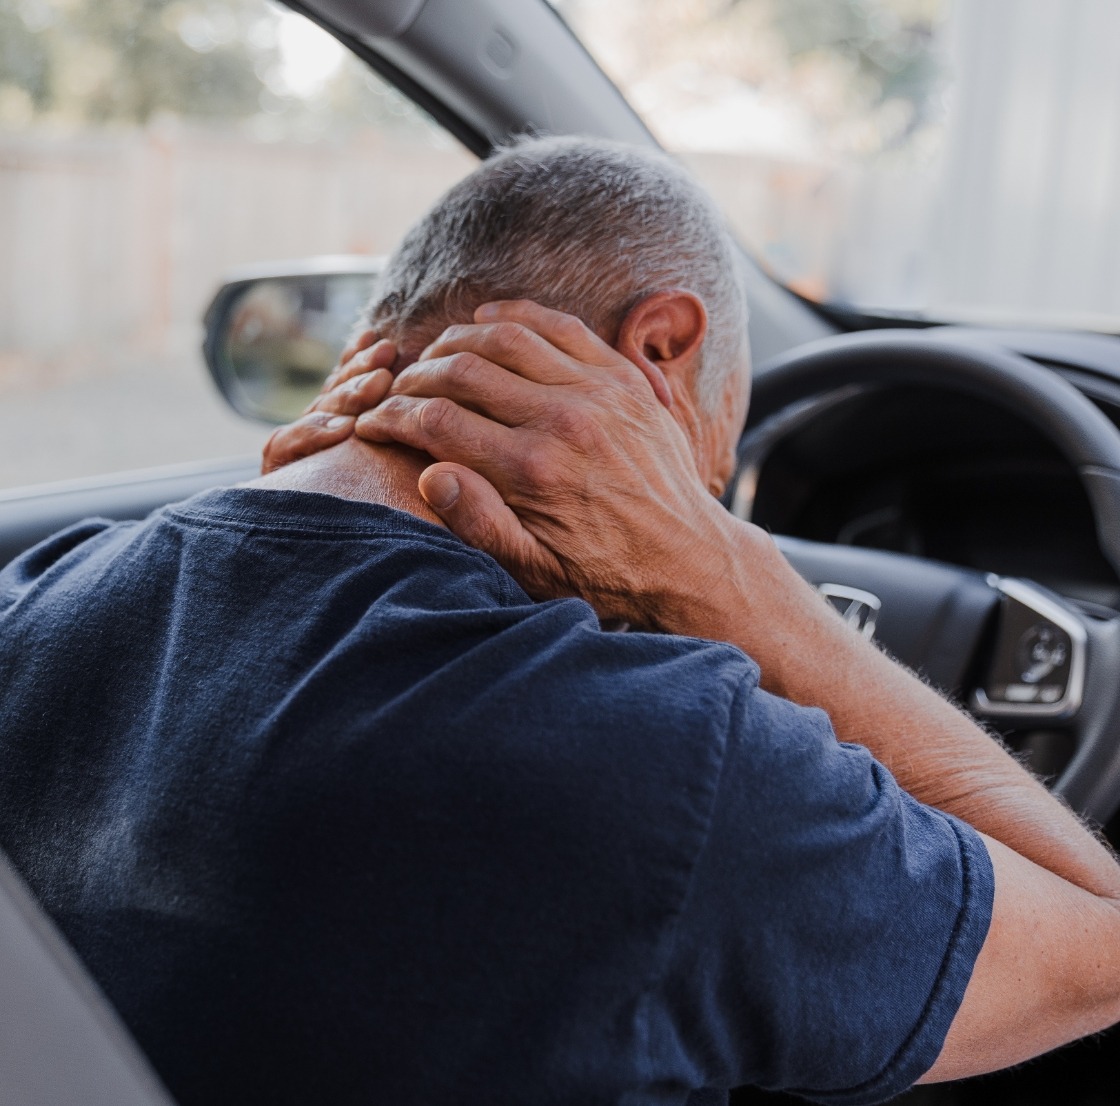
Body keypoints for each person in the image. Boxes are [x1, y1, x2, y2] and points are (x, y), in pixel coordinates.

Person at [1, 136, 1118, 1106]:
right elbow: (1097, 941)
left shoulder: (37, 605)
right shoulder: (667, 757)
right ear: (659, 353)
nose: (704, 506)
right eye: (709, 477)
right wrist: (731, 580)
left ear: (371, 351)